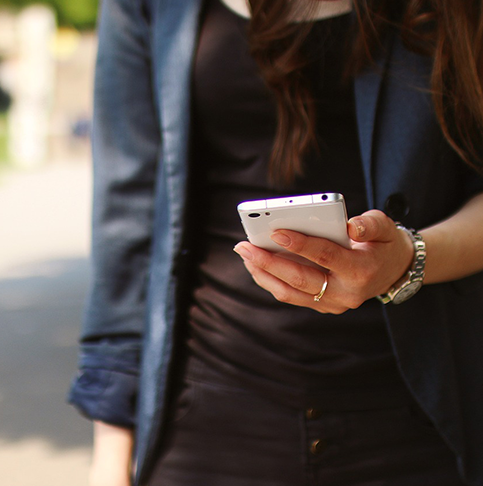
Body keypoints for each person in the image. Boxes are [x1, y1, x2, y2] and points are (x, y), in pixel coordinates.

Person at [68, 0, 483, 485]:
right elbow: (127, 218)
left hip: (423, 420)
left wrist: (409, 259)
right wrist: (111, 454)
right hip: (206, 421)